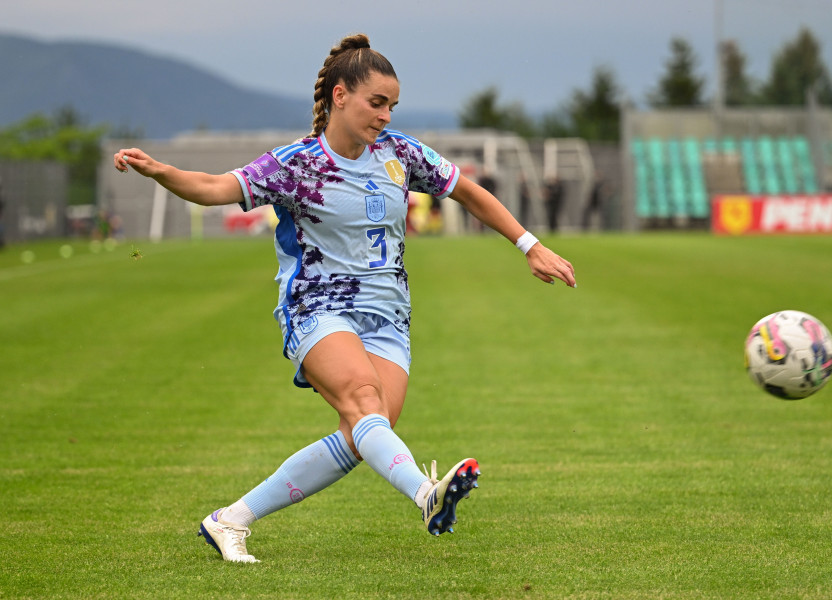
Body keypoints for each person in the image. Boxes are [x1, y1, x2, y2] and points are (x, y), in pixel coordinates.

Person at [113, 33, 576, 564]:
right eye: (376, 103)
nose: (384, 115)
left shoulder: (400, 155)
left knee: (363, 435)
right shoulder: (297, 164)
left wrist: (529, 245)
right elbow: (215, 187)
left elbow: (466, 191)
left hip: (389, 318)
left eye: (391, 106)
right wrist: (160, 171)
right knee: (363, 400)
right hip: (317, 309)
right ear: (339, 96)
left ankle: (230, 519)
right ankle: (427, 495)